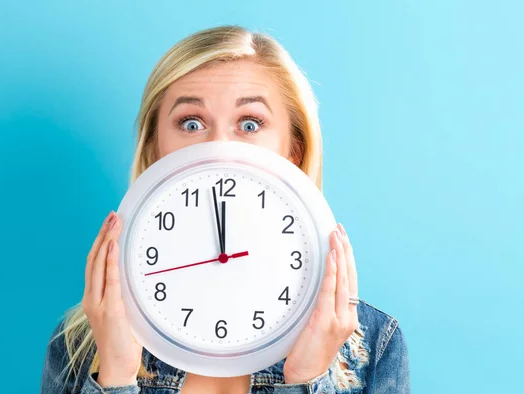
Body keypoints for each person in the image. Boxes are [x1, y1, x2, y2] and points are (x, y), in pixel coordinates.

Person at [40, 25, 411, 394]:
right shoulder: (83, 347)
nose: (218, 147)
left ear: (292, 151)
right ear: (155, 150)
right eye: (191, 123)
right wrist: (117, 374)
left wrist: (307, 379)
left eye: (250, 124)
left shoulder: (372, 346)